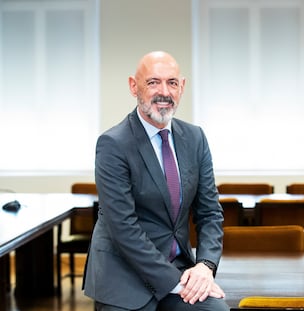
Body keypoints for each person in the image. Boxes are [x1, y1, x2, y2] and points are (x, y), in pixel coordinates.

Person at [83, 51, 229, 311]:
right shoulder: (113, 144)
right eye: (153, 82)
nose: (164, 92)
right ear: (133, 86)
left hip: (180, 270)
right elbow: (123, 228)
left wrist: (205, 267)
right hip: (124, 277)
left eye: (172, 82)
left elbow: (210, 214)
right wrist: (176, 283)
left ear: (182, 87)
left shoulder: (195, 139)